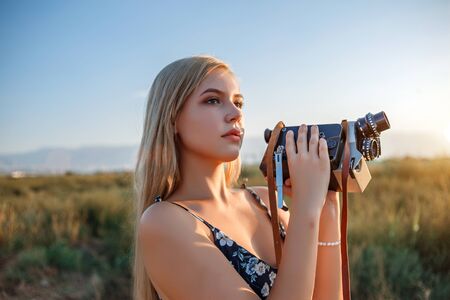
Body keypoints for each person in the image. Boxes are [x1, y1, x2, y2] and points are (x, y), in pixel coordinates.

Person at [133, 55, 343, 300]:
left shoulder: (266, 200)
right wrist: (306, 209)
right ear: (172, 119)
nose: (235, 114)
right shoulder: (164, 221)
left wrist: (326, 205)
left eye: (238, 103)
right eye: (213, 100)